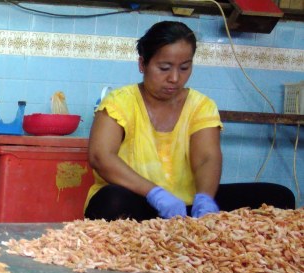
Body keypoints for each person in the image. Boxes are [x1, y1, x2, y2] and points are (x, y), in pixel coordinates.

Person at [84, 21, 295, 221]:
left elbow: (207, 158)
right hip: (140, 202)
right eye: (164, 68)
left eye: (184, 68)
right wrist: (155, 194)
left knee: (278, 197)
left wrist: (204, 199)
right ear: (142, 64)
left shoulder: (201, 105)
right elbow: (101, 157)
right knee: (110, 200)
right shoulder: (120, 102)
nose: (175, 78)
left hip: (186, 207)